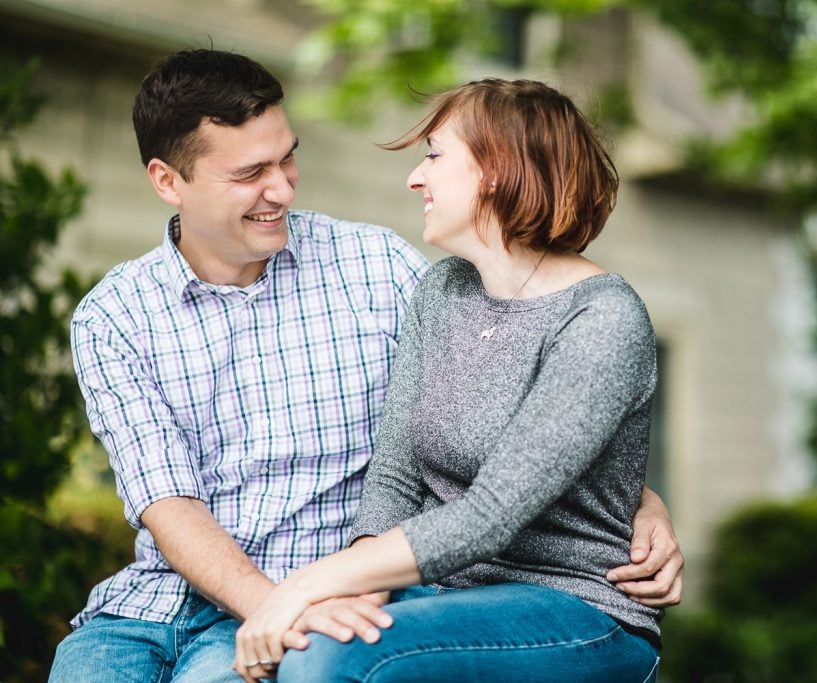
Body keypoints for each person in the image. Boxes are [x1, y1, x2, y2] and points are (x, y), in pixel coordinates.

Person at [48, 51, 682, 683]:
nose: (284, 187)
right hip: (166, 602)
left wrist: (631, 498)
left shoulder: (379, 268)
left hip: (338, 594)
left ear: (497, 174)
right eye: (250, 173)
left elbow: (518, 460)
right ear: (168, 180)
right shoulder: (113, 315)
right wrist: (297, 598)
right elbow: (172, 504)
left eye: (287, 157)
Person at [234, 78, 666, 683]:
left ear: (497, 170)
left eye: (434, 155)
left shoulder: (603, 319)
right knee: (282, 652)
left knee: (329, 657)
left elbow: (491, 514)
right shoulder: (444, 291)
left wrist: (304, 585)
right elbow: (395, 472)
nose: (416, 178)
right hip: (441, 593)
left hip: (575, 605)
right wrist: (360, 588)